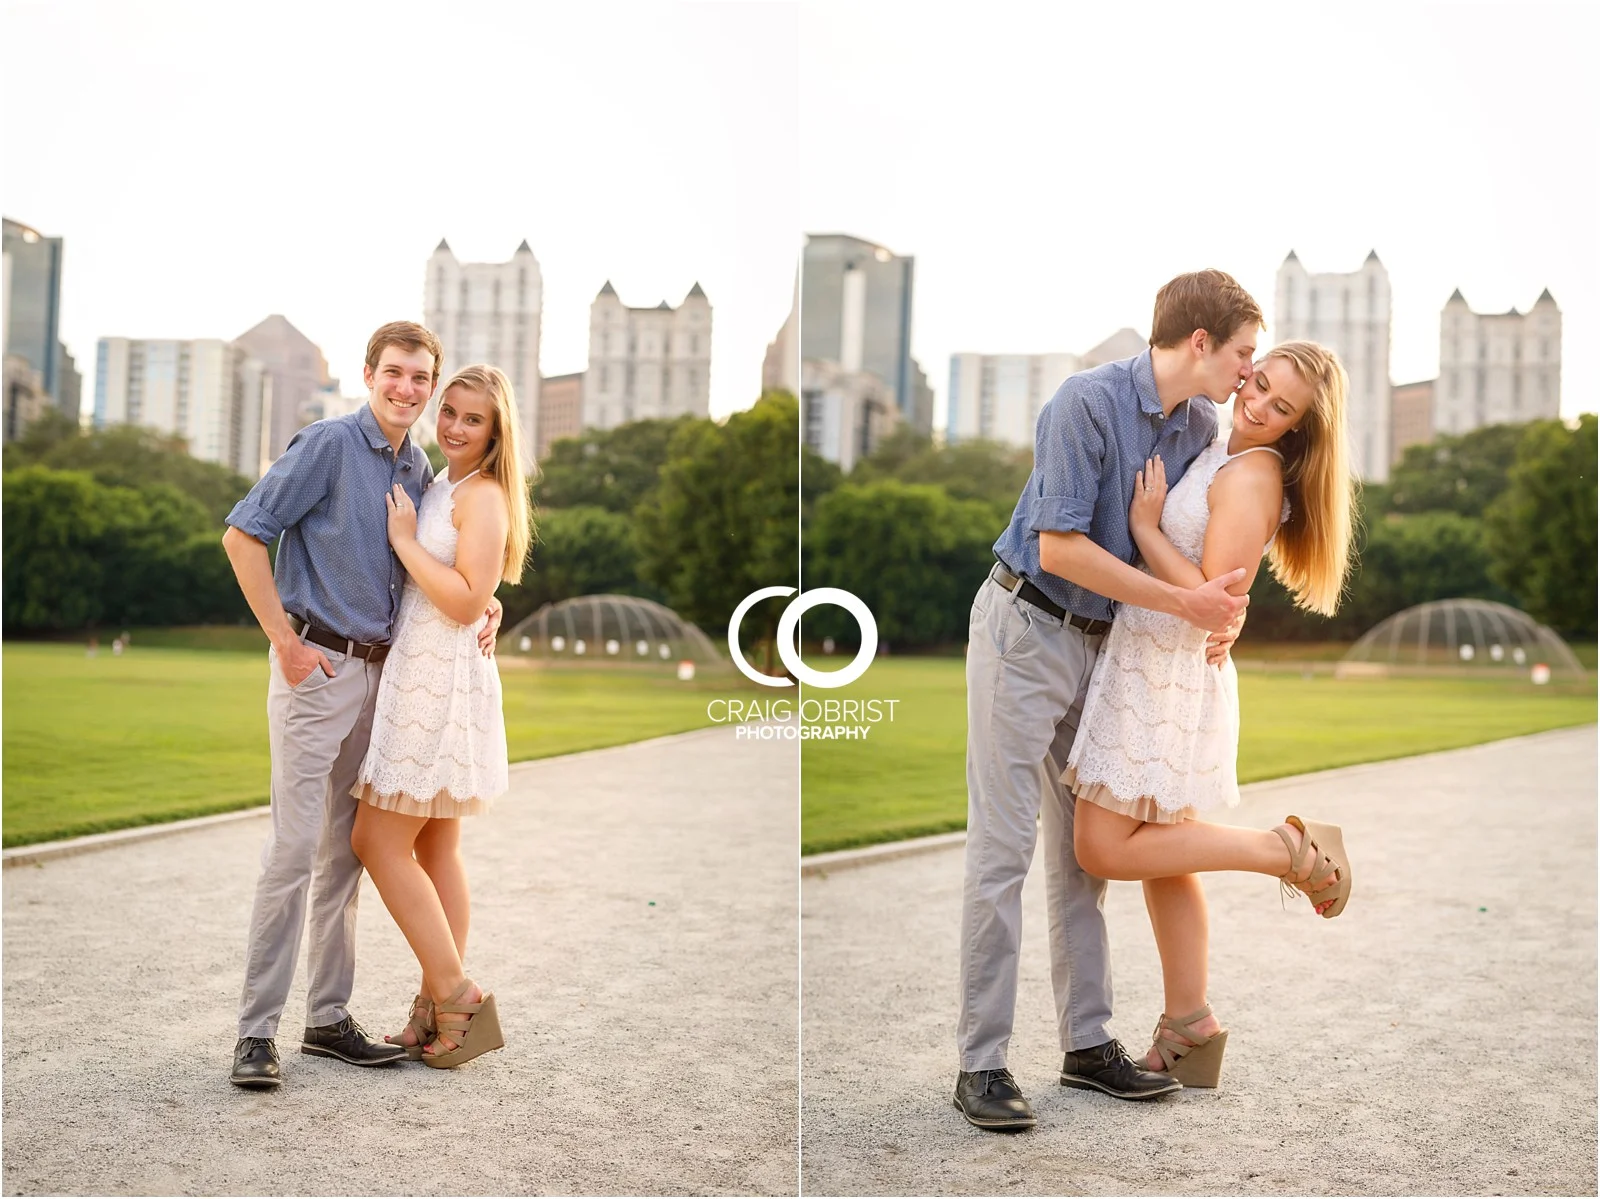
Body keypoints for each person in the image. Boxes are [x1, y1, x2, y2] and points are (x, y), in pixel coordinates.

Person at [955, 269, 1262, 1132]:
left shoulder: (1198, 424)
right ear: (1199, 342)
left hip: (1104, 650)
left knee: (1082, 859)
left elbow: (1200, 541)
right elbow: (1060, 548)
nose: (1248, 368)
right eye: (1243, 352)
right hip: (1027, 627)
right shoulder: (1083, 402)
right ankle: (981, 1062)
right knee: (1004, 849)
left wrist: (1222, 609)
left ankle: (1087, 1046)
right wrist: (1189, 604)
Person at [1066, 340, 1357, 1089]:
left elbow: (1210, 599)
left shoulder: (1256, 473)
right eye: (1258, 383)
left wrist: (1147, 529)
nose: (1256, 402)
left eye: (1279, 405)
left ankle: (1284, 849)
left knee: (1102, 847)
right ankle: (1190, 1023)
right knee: (1166, 856)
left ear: (1298, 428)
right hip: (1150, 658)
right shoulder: (1223, 442)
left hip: (1168, 674)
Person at [222, 321, 502, 1090]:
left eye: (422, 378)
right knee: (290, 854)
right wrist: (283, 639)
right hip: (317, 667)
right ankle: (255, 1032)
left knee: (344, 853)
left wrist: (488, 605)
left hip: (387, 679)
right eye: (396, 374)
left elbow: (437, 568)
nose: (408, 389)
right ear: (370, 373)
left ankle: (326, 1018)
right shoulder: (327, 445)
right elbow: (244, 535)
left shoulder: (417, 468)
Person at [348, 364, 531, 1069]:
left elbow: (460, 599)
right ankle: (431, 1008)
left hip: (437, 680)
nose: (453, 425)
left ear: (496, 430)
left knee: (377, 839)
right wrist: (485, 598)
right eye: (448, 411)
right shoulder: (441, 481)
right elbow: (472, 592)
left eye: (471, 418)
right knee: (435, 849)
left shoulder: (481, 495)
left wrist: (404, 544)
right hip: (422, 668)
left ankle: (460, 997)